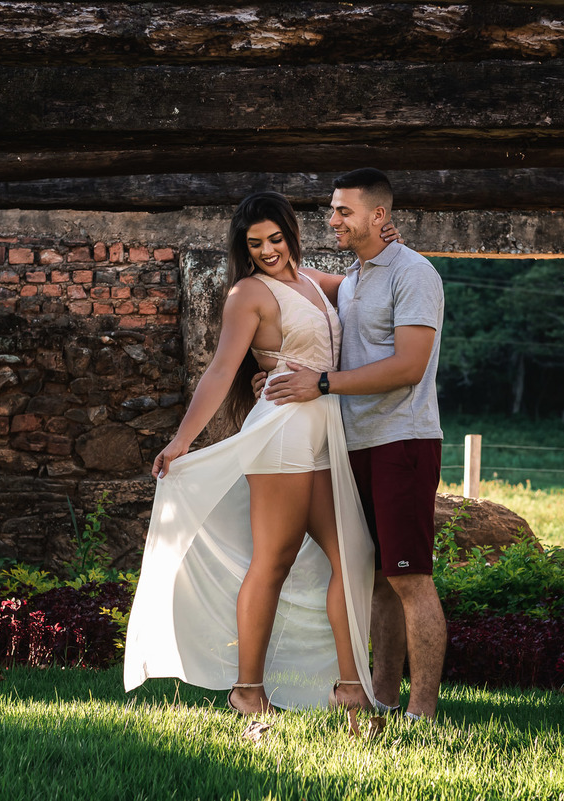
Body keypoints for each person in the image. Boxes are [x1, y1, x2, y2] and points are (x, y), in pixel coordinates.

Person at [123, 192, 383, 715]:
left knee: (355, 556)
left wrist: (382, 245)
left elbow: (363, 286)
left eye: (275, 238)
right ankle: (248, 690)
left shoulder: (311, 281)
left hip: (323, 432)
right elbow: (222, 370)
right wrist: (181, 441)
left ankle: (351, 689)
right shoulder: (248, 293)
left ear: (291, 234)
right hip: (283, 432)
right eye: (255, 243)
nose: (267, 250)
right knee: (274, 559)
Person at [262, 168, 446, 721]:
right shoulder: (359, 275)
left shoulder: (414, 274)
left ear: (379, 216)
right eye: (331, 209)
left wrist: (321, 384)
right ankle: (385, 699)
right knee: (377, 582)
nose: (332, 218)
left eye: (343, 210)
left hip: (402, 440)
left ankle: (425, 714)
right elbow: (308, 289)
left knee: (410, 577)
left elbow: (410, 367)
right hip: (356, 443)